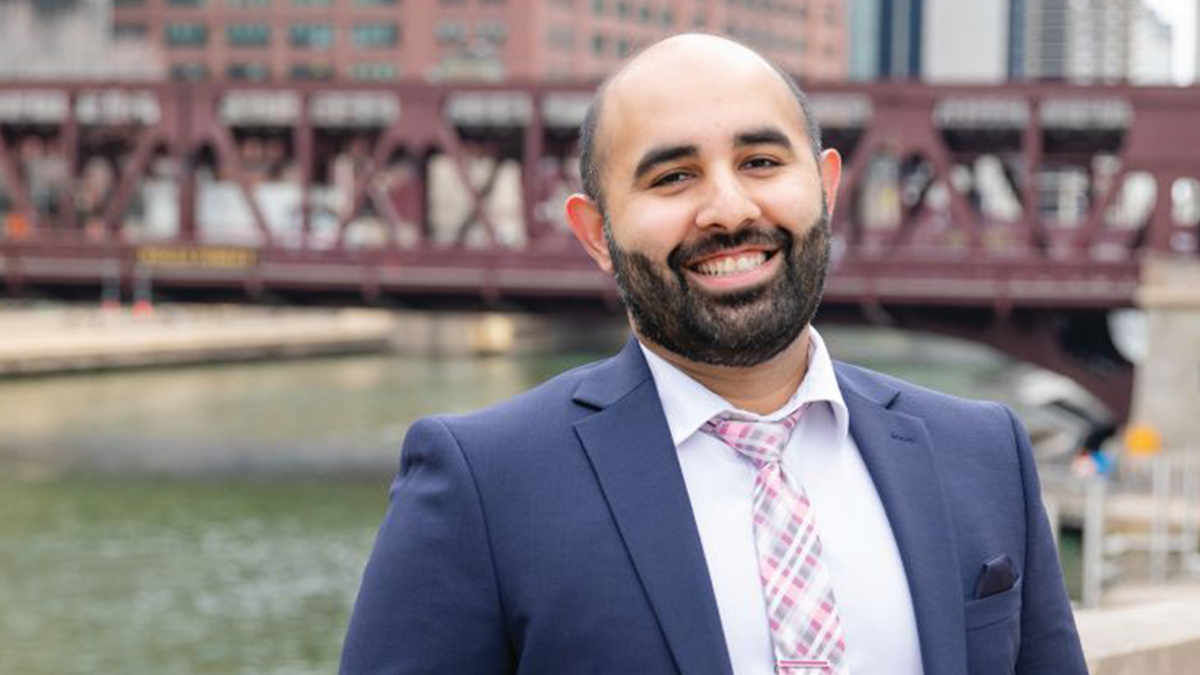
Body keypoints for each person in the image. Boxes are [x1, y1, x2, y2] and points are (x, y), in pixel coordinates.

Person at [340, 34, 1088, 675]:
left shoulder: (987, 451)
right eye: (673, 177)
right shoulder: (481, 486)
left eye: (762, 161)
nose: (730, 209)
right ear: (596, 233)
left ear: (826, 187)